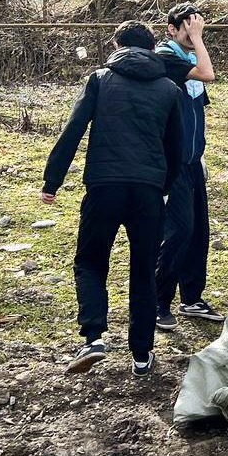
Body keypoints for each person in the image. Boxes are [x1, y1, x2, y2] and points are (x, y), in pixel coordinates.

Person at [40, 21, 183, 378]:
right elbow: (177, 147)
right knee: (143, 268)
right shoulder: (169, 88)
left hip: (104, 185)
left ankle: (93, 337)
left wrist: (52, 180)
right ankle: (141, 354)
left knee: (90, 260)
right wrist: (162, 185)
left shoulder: (101, 80)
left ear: (117, 44)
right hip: (148, 190)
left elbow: (73, 130)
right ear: (152, 48)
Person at [153, 3, 223, 331]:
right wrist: (198, 40)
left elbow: (199, 101)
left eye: (198, 26)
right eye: (187, 27)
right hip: (172, 164)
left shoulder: (189, 60)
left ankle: (191, 298)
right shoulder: (166, 58)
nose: (194, 32)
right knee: (178, 231)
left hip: (194, 160)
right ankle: (158, 301)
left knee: (198, 233)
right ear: (172, 29)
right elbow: (209, 74)